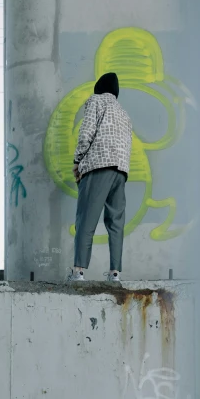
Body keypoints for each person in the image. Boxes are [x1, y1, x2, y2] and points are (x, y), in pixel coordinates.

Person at [67, 72, 132, 283]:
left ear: (99, 87)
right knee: (115, 223)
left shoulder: (95, 101)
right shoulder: (124, 113)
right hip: (120, 170)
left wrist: (77, 161)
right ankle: (115, 273)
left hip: (98, 165)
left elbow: (86, 134)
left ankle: (78, 272)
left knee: (86, 219)